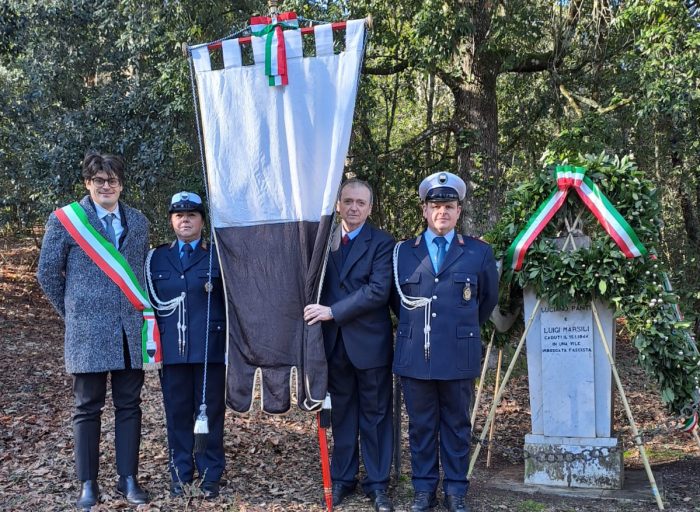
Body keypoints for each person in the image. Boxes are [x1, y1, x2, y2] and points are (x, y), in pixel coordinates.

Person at [37, 151, 150, 510]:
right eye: (99, 180)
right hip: (87, 332)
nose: (106, 185)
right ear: (88, 182)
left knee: (130, 406)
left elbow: (139, 273)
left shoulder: (138, 220)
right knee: (87, 408)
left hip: (128, 330)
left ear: (121, 183)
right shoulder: (66, 221)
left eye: (113, 179)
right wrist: (73, 313)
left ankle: (127, 478)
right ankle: (88, 483)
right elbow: (47, 274)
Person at [392, 171, 499, 512]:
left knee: (456, 424)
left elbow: (486, 301)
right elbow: (398, 304)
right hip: (415, 354)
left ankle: (456, 490)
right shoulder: (402, 253)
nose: (443, 212)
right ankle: (424, 489)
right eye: (436, 206)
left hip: (458, 352)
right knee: (421, 426)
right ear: (424, 210)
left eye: (449, 206)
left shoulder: (478, 253)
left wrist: (459, 328)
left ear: (458, 211)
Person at [304, 179, 395, 512]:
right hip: (334, 345)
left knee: (375, 415)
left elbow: (377, 291)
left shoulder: (383, 243)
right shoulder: (322, 242)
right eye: (348, 201)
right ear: (338, 205)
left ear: (370, 208)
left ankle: (377, 483)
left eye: (361, 202)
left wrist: (332, 311)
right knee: (342, 415)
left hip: (369, 344)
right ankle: (343, 479)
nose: (354, 207)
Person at [145, 191, 226, 499]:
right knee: (177, 413)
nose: (185, 220)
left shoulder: (218, 255)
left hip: (210, 348)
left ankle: (209, 474)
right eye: (179, 215)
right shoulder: (156, 258)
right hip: (173, 349)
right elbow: (149, 303)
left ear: (202, 221)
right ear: (171, 221)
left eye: (192, 215)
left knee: (211, 413)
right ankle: (180, 473)